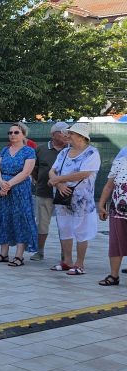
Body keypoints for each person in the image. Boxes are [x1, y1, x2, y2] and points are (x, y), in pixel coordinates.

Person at [48, 123, 100, 275]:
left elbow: (84, 173)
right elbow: (52, 171)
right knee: (64, 229)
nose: (67, 136)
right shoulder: (64, 152)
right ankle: (67, 261)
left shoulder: (92, 153)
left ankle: (79, 264)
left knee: (81, 230)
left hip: (82, 200)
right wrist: (59, 185)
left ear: (81, 137)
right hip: (63, 197)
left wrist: (58, 179)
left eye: (71, 133)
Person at [0, 122, 38, 267]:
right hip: (2, 189)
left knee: (20, 219)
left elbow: (26, 172)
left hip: (19, 190)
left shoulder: (29, 151)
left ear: (23, 134)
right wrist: (1, 183)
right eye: (10, 132)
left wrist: (8, 185)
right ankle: (3, 253)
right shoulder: (5, 150)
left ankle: (19, 255)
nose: (12, 135)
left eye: (16, 132)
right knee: (2, 218)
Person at [30, 122, 70, 262]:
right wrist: (40, 180)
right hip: (44, 192)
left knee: (65, 225)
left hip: (66, 193)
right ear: (53, 134)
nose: (66, 135)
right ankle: (39, 252)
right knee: (42, 223)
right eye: (63, 132)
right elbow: (34, 169)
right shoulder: (40, 149)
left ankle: (65, 255)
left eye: (68, 132)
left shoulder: (71, 149)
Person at [97, 153, 127, 286]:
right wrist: (101, 204)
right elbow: (109, 186)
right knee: (115, 242)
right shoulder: (120, 161)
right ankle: (114, 276)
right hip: (118, 211)